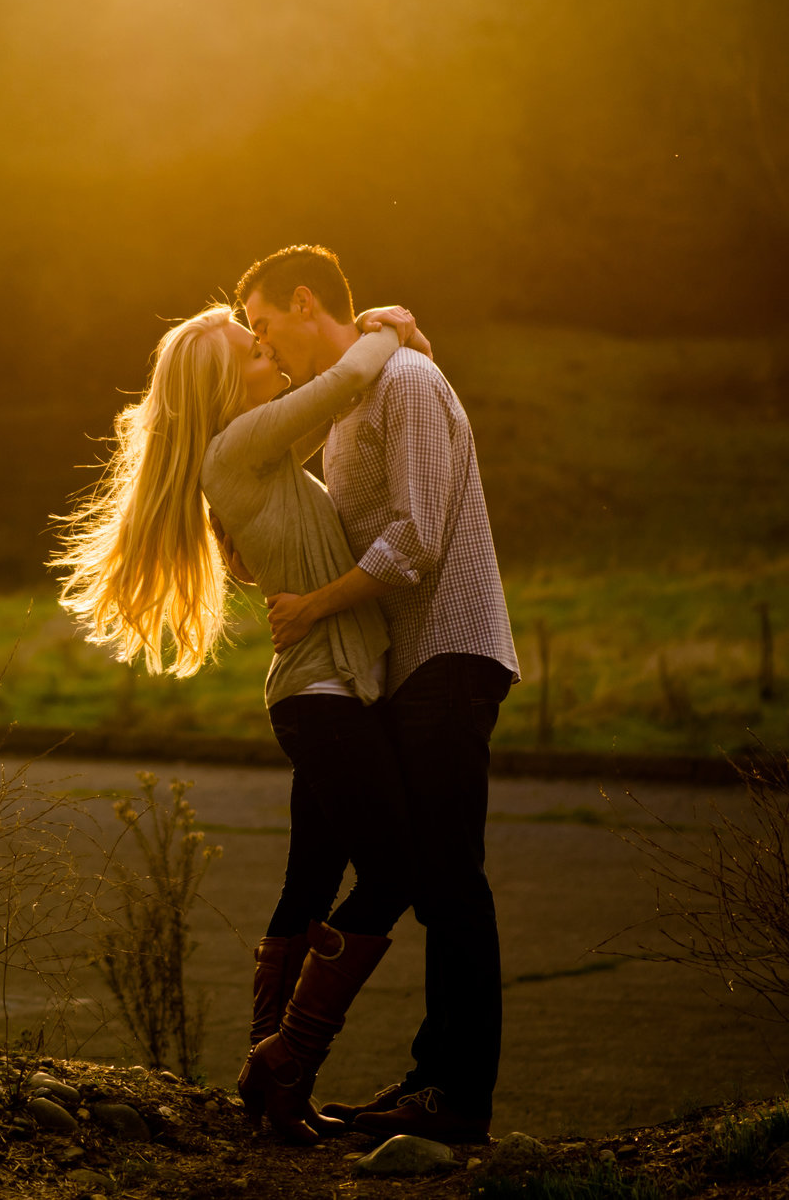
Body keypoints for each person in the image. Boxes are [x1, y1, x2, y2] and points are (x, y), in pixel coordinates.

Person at [53, 297, 432, 1144]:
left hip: (321, 697)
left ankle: (273, 1093)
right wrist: (386, 328)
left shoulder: (250, 455)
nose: (270, 355)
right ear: (225, 392)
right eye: (253, 355)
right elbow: (347, 380)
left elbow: (333, 403)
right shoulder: (240, 449)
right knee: (396, 869)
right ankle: (288, 1055)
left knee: (308, 885)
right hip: (325, 699)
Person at [238, 243, 521, 1147]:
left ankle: (457, 1098)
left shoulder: (402, 381)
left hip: (449, 652)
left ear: (305, 299)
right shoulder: (354, 398)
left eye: (263, 322)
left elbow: (416, 538)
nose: (262, 341)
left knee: (450, 885)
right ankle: (406, 1078)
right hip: (398, 668)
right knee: (426, 877)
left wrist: (314, 606)